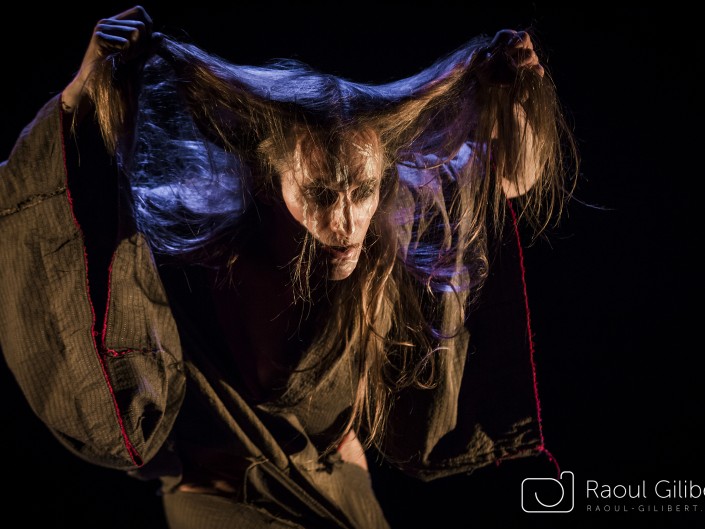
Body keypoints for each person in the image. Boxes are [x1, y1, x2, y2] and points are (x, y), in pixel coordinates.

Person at [0, 5, 577, 528]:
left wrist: (521, 90)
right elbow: (55, 213)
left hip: (340, 491)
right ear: (270, 183)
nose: (346, 220)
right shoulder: (200, 252)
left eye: (362, 189)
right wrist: (80, 91)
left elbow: (504, 178)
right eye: (321, 193)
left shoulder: (385, 226)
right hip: (225, 500)